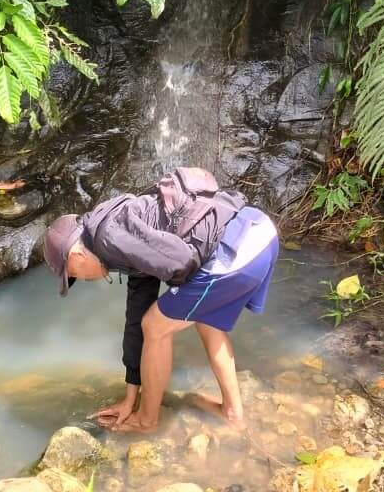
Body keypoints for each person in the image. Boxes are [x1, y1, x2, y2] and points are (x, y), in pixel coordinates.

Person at [41, 167, 280, 433]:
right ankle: (232, 414)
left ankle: (147, 422)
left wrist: (179, 296)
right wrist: (130, 396)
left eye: (74, 274)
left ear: (77, 255)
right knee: (201, 318)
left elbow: (181, 261)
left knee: (155, 326)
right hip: (259, 231)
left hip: (235, 253)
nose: (82, 280)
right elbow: (135, 319)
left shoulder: (109, 237)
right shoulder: (113, 233)